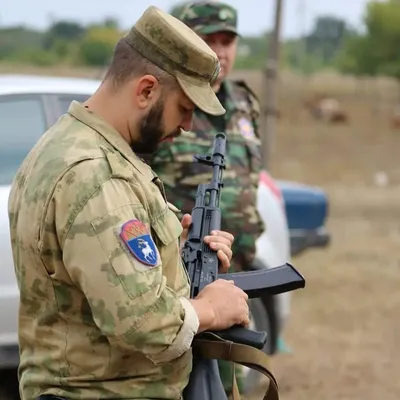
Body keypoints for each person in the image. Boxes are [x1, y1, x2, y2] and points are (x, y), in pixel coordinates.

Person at [7, 6, 251, 400]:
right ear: (147, 90)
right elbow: (143, 321)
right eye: (184, 109)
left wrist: (175, 253)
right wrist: (211, 309)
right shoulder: (96, 174)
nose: (187, 126)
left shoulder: (67, 145)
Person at [144, 1, 265, 395]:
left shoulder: (245, 102)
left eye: (227, 40)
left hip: (238, 263)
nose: (221, 50)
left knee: (229, 380)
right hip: (184, 270)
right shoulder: (161, 110)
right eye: (208, 39)